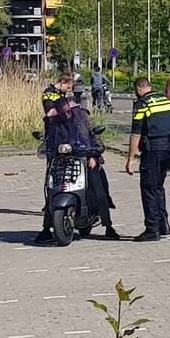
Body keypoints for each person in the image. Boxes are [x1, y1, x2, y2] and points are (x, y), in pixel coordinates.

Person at [43, 97, 119, 240]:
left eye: (67, 112)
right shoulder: (55, 122)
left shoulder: (83, 117)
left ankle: (108, 226)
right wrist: (49, 147)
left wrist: (93, 155)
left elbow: (94, 138)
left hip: (84, 158)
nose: (66, 115)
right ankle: (46, 228)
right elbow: (49, 139)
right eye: (62, 113)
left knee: (98, 188)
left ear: (71, 109)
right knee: (50, 187)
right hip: (63, 160)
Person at [125, 77, 170, 241]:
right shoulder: (166, 100)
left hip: (154, 150)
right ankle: (163, 224)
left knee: (149, 188)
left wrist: (131, 159)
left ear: (139, 89)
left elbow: (136, 133)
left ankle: (152, 229)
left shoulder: (142, 104)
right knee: (158, 187)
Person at [35, 73, 75, 243]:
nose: (69, 90)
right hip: (53, 141)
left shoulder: (61, 95)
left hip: (65, 139)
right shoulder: (49, 93)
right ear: (63, 83)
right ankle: (48, 219)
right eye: (69, 87)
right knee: (52, 177)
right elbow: (51, 112)